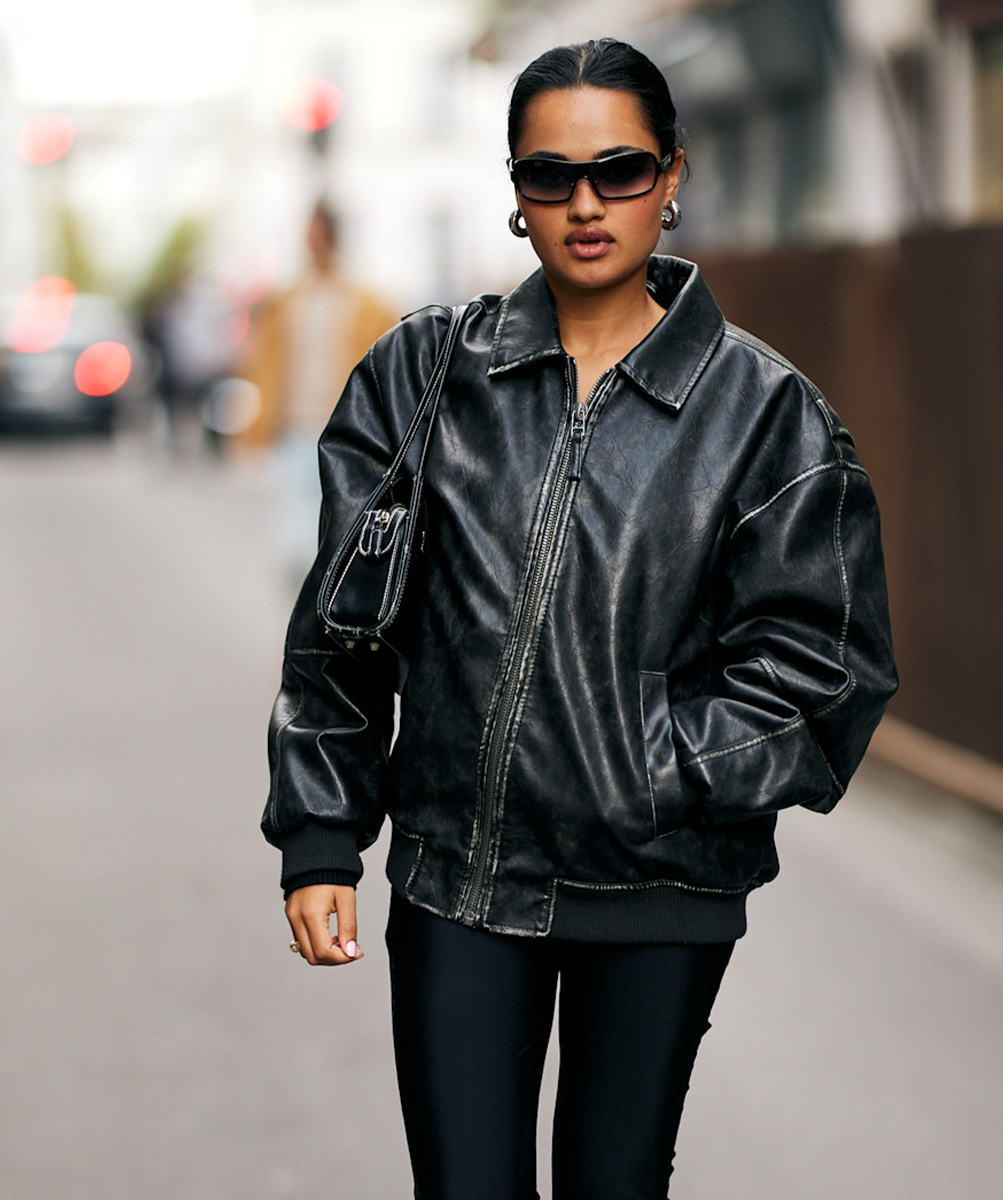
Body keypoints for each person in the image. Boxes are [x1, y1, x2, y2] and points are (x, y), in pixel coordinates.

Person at [263, 38, 898, 1200]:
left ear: (672, 175)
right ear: (516, 194)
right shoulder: (422, 379)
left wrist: (648, 770)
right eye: (551, 177)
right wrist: (320, 832)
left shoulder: (768, 418)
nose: (587, 203)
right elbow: (343, 630)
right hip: (460, 881)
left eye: (620, 169)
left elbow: (827, 669)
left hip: (660, 893)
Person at [238, 200, 395, 577]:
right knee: (296, 546)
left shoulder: (367, 303)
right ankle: (308, 621)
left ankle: (330, 621)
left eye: (318, 233)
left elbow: (386, 369)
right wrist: (255, 428)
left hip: (347, 432)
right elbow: (262, 365)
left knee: (340, 535)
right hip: (294, 429)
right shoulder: (286, 301)